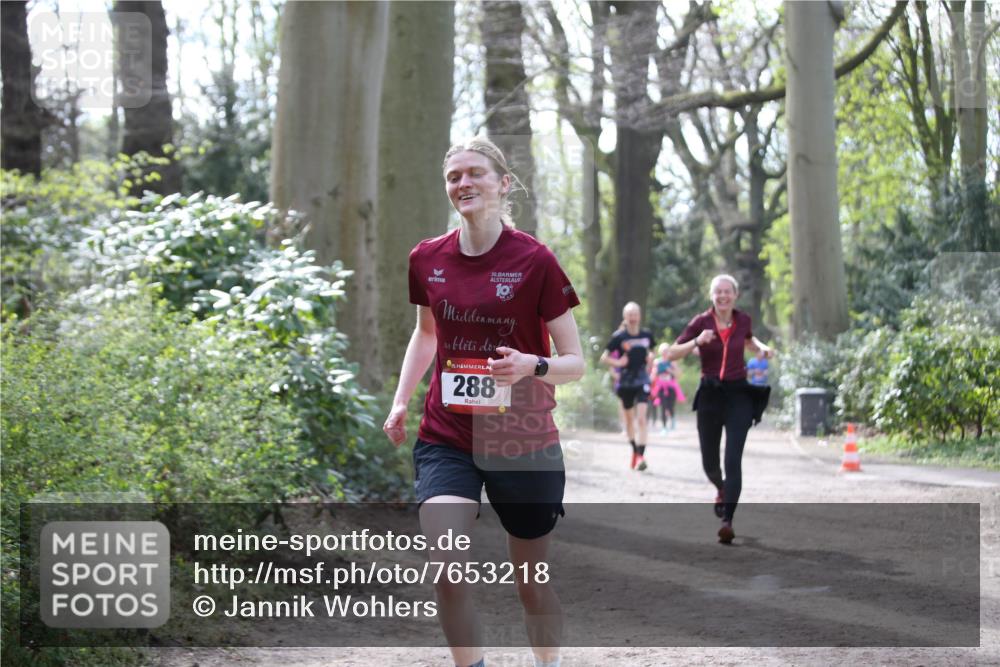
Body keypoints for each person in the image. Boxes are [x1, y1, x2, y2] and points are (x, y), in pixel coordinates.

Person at [383, 136, 584, 667]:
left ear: (503, 183)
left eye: (475, 173)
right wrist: (402, 400)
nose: (463, 183)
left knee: (531, 584)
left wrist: (530, 365)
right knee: (446, 567)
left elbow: (574, 362)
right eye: (454, 176)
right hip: (448, 434)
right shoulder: (427, 258)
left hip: (523, 437)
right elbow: (426, 334)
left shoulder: (535, 260)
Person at [667, 274, 775, 544]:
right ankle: (721, 489)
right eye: (718, 292)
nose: (723, 296)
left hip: (739, 394)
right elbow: (670, 353)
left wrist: (762, 348)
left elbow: (749, 339)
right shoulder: (700, 323)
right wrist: (696, 342)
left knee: (733, 460)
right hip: (710, 396)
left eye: (728, 291)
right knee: (710, 464)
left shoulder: (743, 320)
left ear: (735, 295)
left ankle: (727, 521)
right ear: (712, 296)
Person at [600, 302, 655, 471]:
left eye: (635, 314)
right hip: (626, 382)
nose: (632, 318)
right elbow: (604, 357)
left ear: (639, 316)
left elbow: (652, 351)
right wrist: (618, 362)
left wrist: (651, 357)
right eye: (629, 314)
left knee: (641, 418)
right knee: (630, 421)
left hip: (642, 379)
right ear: (625, 317)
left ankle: (641, 456)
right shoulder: (619, 336)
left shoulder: (647, 335)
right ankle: (635, 452)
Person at [651, 343, 684, 432]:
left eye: (666, 351)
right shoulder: (657, 362)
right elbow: (653, 375)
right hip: (660, 387)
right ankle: (664, 427)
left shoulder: (672, 362)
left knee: (670, 406)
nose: (665, 353)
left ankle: (672, 419)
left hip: (671, 387)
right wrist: (655, 371)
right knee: (663, 406)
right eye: (663, 351)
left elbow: (678, 374)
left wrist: (670, 370)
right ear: (660, 352)